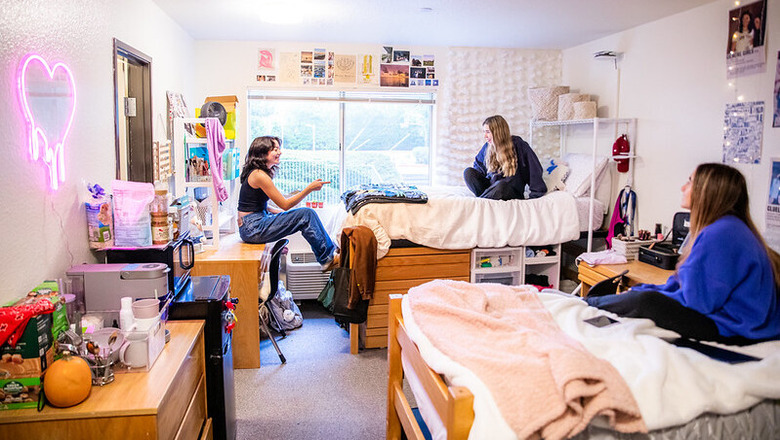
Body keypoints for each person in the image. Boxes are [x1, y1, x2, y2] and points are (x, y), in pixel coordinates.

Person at [586, 163, 780, 344]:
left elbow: (697, 302)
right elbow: (681, 284)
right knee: (645, 295)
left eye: (690, 181)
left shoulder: (722, 232)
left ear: (707, 191)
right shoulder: (726, 227)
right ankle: (589, 304)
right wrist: (642, 289)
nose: (683, 188)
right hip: (735, 321)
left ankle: (585, 305)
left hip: (736, 330)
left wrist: (643, 297)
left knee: (646, 302)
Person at [237, 136, 338, 270]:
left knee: (304, 214)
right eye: (275, 149)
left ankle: (329, 254)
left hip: (252, 224)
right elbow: (285, 204)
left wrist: (282, 214)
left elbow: (257, 205)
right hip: (253, 227)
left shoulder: (257, 173)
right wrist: (309, 188)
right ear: (262, 152)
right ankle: (327, 258)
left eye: (279, 149)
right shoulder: (259, 175)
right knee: (306, 214)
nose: (279, 152)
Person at [463, 115, 546, 201]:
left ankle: (482, 202)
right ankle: (486, 198)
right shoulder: (488, 147)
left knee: (501, 185)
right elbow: (478, 167)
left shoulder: (519, 145)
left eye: (488, 132)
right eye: (484, 132)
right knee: (468, 172)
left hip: (510, 190)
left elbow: (534, 169)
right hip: (492, 188)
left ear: (497, 132)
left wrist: (536, 194)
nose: (485, 136)